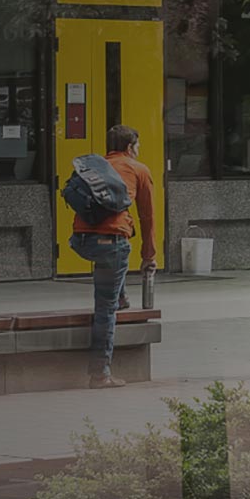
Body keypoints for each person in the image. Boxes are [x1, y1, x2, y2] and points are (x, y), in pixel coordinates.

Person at [68, 124, 157, 388]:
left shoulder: (95, 167)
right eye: (137, 146)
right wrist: (149, 255)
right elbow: (148, 217)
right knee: (105, 310)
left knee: (110, 281)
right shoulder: (139, 170)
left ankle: (120, 295)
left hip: (81, 241)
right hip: (112, 242)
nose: (138, 151)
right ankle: (101, 373)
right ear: (130, 147)